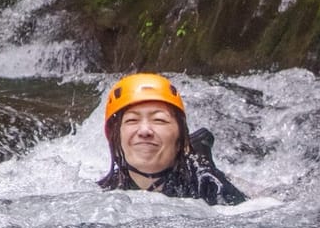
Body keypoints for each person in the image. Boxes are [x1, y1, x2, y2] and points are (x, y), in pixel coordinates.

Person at [98, 73, 247, 205]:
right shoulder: (102, 195)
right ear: (115, 137)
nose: (144, 131)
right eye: (132, 120)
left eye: (159, 120)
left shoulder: (210, 185)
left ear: (181, 139)